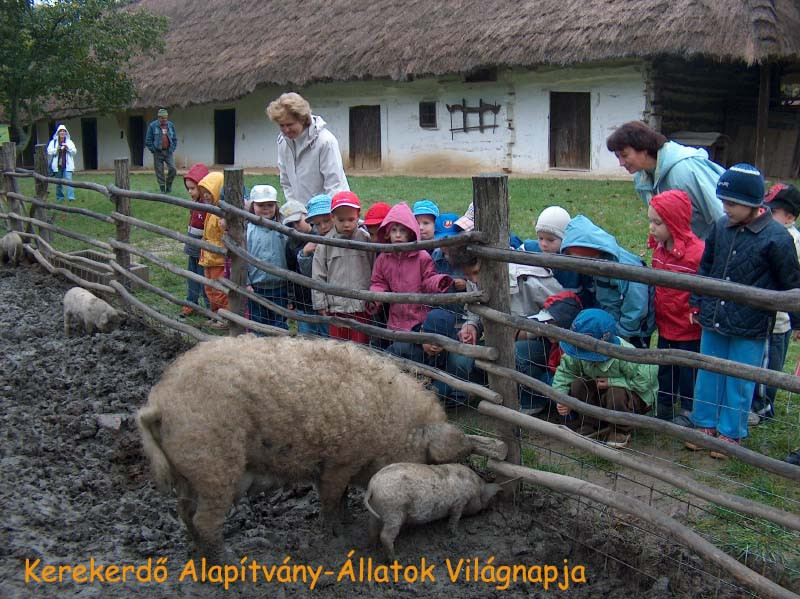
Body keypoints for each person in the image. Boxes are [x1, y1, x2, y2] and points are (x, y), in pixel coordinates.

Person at [686, 164, 800, 457]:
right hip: (714, 316)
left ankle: (730, 433)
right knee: (709, 371)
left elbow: (792, 283)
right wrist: (697, 300)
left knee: (739, 378)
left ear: (753, 204)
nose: (726, 208)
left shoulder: (776, 238)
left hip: (751, 323)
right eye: (724, 202)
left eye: (732, 203)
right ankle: (704, 425)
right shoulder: (720, 227)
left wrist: (798, 322)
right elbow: (706, 267)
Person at [553, 308, 658, 449]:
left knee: (616, 393)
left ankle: (621, 429)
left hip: (631, 399)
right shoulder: (576, 352)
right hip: (601, 395)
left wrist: (613, 382)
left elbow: (645, 379)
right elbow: (565, 371)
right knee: (578, 384)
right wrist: (561, 397)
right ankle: (591, 423)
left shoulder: (625, 353)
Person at [606, 121, 724, 240]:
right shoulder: (641, 180)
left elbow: (722, 213)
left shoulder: (684, 170)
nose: (621, 163)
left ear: (643, 149)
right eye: (618, 156)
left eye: (625, 155)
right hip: (680, 251)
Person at [647, 190, 704, 424]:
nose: (652, 227)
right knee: (665, 365)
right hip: (666, 321)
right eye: (650, 221)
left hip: (688, 325)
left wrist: (697, 310)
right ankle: (665, 403)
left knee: (688, 369)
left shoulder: (696, 253)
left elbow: (704, 287)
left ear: (675, 221)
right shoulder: (660, 251)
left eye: (657, 222)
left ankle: (689, 408)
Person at [560, 215, 655, 348]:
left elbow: (637, 302)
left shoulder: (622, 266)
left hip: (634, 330)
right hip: (612, 324)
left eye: (573, 255)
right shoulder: (593, 265)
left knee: (632, 361)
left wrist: (624, 331)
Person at [750, 183, 800, 424]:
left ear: (789, 217)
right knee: (763, 359)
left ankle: (762, 405)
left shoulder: (789, 240)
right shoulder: (773, 234)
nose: (766, 215)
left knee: (770, 362)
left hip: (779, 318)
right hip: (769, 315)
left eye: (773, 212)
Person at [368, 203, 453, 332]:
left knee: (414, 349)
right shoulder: (384, 258)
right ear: (387, 233)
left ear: (411, 232)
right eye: (393, 230)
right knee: (396, 349)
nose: (397, 235)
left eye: (402, 230)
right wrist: (375, 298)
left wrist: (438, 282)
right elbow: (379, 282)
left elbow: (428, 279)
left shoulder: (422, 257)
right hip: (395, 320)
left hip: (419, 318)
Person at [266, 92, 349, 205]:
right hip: (300, 213)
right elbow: (286, 181)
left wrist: (321, 216)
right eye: (281, 125)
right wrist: (296, 210)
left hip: (328, 212)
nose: (286, 130)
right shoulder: (283, 142)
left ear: (303, 119)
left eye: (290, 125)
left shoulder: (325, 141)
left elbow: (335, 185)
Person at [312, 191, 373, 343]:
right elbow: (319, 274)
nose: (346, 224)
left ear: (358, 216)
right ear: (333, 217)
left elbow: (373, 268)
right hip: (336, 307)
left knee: (361, 347)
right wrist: (320, 302)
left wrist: (372, 297)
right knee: (338, 347)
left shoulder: (365, 240)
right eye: (341, 219)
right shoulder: (326, 243)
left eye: (351, 219)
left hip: (361, 306)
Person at [515, 291, 583, 415]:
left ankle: (569, 414)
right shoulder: (551, 339)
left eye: (551, 323)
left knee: (550, 382)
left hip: (566, 383)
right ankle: (532, 402)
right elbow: (521, 335)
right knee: (518, 352)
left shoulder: (577, 348)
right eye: (545, 323)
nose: (546, 328)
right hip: (553, 363)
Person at [522, 206, 593, 308]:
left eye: (550, 240)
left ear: (564, 239)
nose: (543, 244)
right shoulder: (531, 249)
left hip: (568, 306)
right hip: (536, 301)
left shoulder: (574, 262)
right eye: (540, 238)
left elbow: (588, 291)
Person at [246, 185, 289, 331]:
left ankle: (278, 350)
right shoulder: (247, 230)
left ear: (276, 206)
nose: (266, 208)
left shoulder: (282, 229)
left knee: (279, 323)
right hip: (257, 287)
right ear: (253, 205)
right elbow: (241, 258)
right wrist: (246, 282)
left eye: (270, 205)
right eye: (261, 205)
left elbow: (289, 257)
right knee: (258, 323)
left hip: (280, 286)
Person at [294, 195, 332, 338]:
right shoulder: (316, 243)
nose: (323, 226)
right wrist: (304, 255)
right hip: (322, 299)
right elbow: (312, 274)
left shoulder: (349, 238)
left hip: (342, 300)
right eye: (318, 224)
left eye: (327, 221)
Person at [197, 172, 228, 329]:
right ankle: (215, 314)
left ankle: (224, 318)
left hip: (218, 259)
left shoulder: (220, 214)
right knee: (209, 288)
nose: (206, 196)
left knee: (219, 291)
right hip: (208, 257)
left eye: (209, 192)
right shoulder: (210, 210)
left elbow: (225, 237)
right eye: (203, 193)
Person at [179, 163, 210, 318]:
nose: (190, 192)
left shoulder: (208, 206)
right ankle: (191, 302)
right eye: (188, 189)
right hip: (193, 244)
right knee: (192, 275)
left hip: (203, 248)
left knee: (204, 277)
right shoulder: (196, 203)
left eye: (193, 188)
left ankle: (210, 306)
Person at [145, 108, 178, 193]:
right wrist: (153, 150)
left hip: (168, 151)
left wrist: (173, 148)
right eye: (163, 118)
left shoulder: (170, 125)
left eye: (166, 118)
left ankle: (169, 184)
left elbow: (174, 138)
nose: (165, 120)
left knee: (173, 169)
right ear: (158, 117)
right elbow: (148, 140)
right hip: (158, 152)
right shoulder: (152, 126)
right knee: (159, 171)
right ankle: (162, 189)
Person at [46, 125, 77, 201]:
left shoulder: (69, 142)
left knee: (69, 181)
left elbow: (74, 152)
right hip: (57, 165)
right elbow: (49, 151)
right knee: (58, 182)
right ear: (58, 133)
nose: (62, 132)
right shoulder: (53, 142)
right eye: (61, 131)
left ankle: (71, 198)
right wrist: (56, 149)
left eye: (64, 131)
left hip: (67, 165)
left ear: (66, 133)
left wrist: (68, 148)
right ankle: (60, 197)